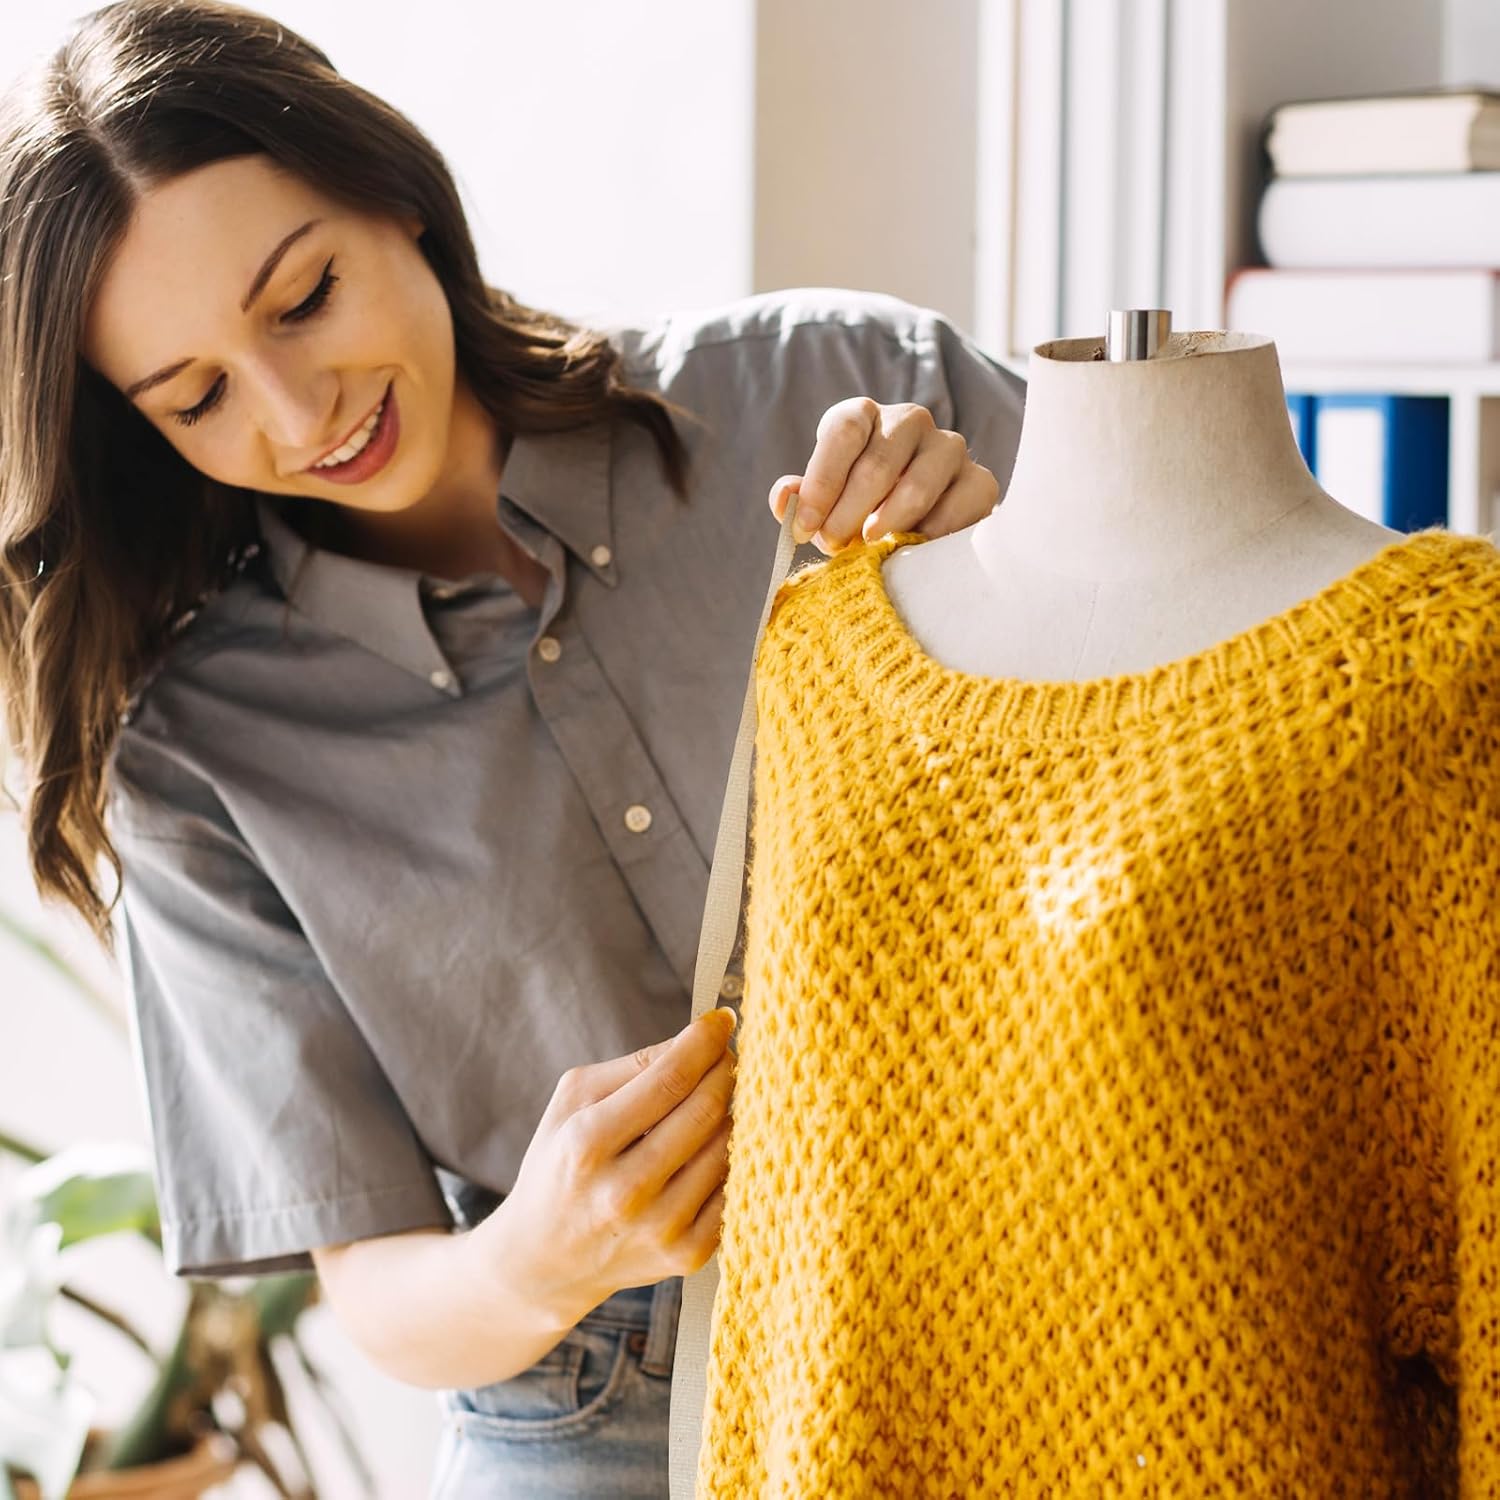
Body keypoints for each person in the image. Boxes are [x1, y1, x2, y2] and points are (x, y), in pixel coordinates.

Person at [0, 2, 1026, 1494]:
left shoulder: (836, 384)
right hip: (598, 1407)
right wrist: (544, 1252)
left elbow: (1249, 716)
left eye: (305, 297)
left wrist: (1033, 564)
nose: (298, 412)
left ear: (395, 192)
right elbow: (381, 1290)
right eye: (199, 396)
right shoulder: (195, 758)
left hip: (1039, 1246)